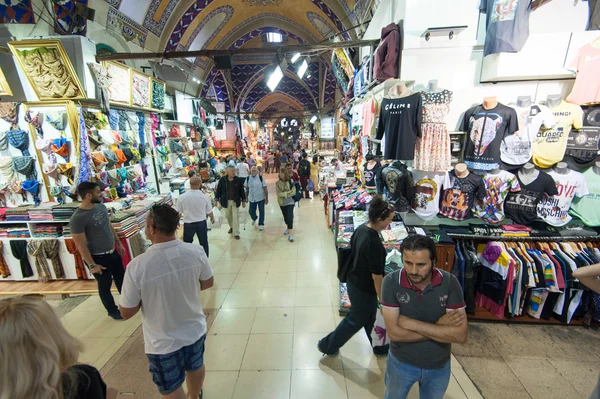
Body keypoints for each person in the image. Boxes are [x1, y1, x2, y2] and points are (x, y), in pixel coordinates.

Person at [119, 204, 214, 399]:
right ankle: (194, 396)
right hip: (194, 329)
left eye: (146, 225)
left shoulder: (137, 266)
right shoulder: (196, 251)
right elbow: (207, 282)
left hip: (162, 340)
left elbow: (126, 312)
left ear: (152, 228)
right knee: (195, 365)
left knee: (170, 386)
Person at [381, 234, 468, 399]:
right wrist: (440, 325)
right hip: (400, 363)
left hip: (439, 366)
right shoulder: (391, 282)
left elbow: (460, 335)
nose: (413, 271)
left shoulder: (450, 283)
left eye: (421, 265)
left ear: (434, 262)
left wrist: (412, 324)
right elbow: (394, 334)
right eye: (408, 263)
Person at [318, 196, 395, 357]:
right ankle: (327, 345)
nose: (389, 224)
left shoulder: (362, 229)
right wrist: (382, 298)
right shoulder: (373, 242)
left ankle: (378, 346)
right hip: (364, 288)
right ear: (379, 218)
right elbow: (376, 276)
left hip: (355, 281)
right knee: (355, 320)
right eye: (388, 220)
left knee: (369, 318)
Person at [70, 182, 126, 320]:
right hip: (98, 258)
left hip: (112, 252)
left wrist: (118, 243)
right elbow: (80, 244)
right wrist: (92, 265)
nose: (101, 194)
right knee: (105, 285)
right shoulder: (77, 218)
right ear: (88, 195)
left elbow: (109, 225)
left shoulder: (101, 207)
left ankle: (128, 304)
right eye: (97, 192)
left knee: (122, 281)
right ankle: (112, 311)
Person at [177, 176, 215, 257]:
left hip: (188, 224)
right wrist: (212, 218)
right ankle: (205, 259)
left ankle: (188, 260)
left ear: (190, 184)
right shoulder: (204, 197)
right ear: (199, 184)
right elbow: (209, 211)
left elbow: (179, 213)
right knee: (203, 242)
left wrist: (177, 222)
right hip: (201, 223)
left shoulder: (181, 197)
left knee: (187, 244)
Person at [215, 165, 247, 240]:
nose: (233, 172)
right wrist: (216, 199)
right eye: (231, 171)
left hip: (235, 201)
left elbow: (241, 191)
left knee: (235, 217)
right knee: (228, 216)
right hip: (225, 201)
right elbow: (218, 190)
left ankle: (236, 232)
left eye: (234, 171)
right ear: (228, 172)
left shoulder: (238, 180)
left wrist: (243, 200)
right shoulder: (222, 180)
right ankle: (232, 227)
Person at [244, 166, 268, 231]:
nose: (253, 172)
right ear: (250, 171)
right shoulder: (248, 178)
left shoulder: (260, 178)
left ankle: (261, 224)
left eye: (255, 171)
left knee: (261, 211)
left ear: (257, 171)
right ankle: (254, 218)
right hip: (252, 198)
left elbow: (265, 188)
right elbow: (246, 188)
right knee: (251, 211)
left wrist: (266, 198)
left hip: (260, 197)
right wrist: (245, 197)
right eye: (252, 171)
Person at [276, 169, 296, 242]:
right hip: (282, 203)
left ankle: (291, 235)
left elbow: (293, 192)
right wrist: (287, 193)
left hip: (290, 202)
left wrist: (284, 194)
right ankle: (288, 227)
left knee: (290, 216)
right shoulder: (277, 183)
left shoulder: (290, 181)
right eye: (280, 173)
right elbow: (279, 194)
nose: (281, 174)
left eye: (282, 173)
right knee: (285, 217)